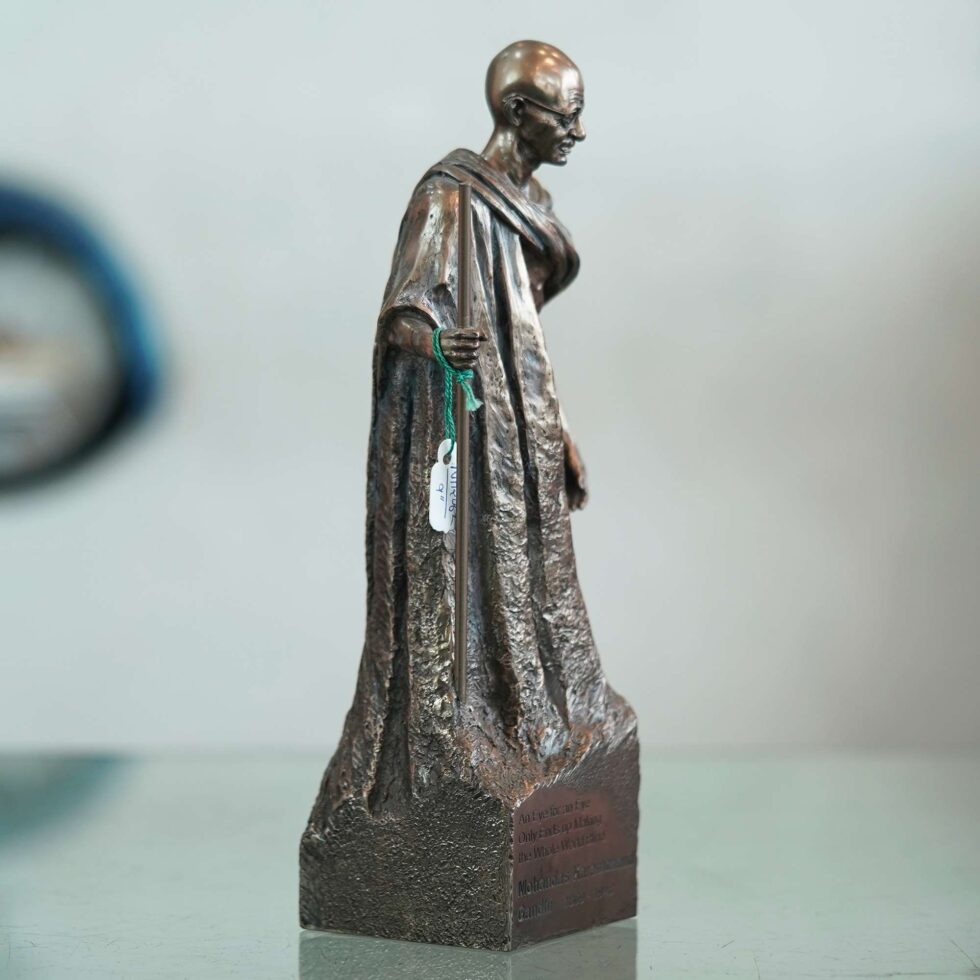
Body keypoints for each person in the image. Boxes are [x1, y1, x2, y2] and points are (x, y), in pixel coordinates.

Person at [322, 40, 635, 814]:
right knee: (469, 577)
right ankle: (465, 740)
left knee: (536, 573)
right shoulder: (450, 200)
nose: (578, 132)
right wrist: (436, 342)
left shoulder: (535, 206)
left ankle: (538, 721)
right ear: (519, 113)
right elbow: (403, 311)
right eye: (566, 116)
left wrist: (559, 432)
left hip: (522, 426)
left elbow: (526, 335)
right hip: (465, 425)